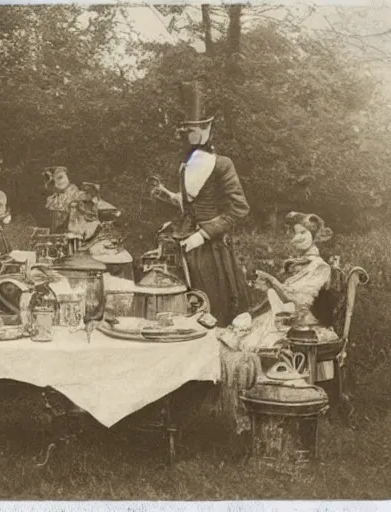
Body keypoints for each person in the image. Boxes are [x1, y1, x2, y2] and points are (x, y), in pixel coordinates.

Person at [216, 212, 336, 433]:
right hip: (285, 314)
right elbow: (278, 299)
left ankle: (275, 407)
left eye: (303, 233)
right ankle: (252, 408)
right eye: (294, 234)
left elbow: (300, 303)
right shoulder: (297, 264)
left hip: (305, 321)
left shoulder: (320, 267)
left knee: (258, 346)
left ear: (314, 236)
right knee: (234, 338)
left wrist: (272, 282)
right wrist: (252, 313)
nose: (297, 237)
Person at [150, 81, 250, 327]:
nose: (184, 136)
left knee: (214, 310)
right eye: (184, 131)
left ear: (205, 131)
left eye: (190, 130)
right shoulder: (186, 164)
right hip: (185, 244)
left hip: (212, 250)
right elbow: (191, 203)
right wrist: (166, 194)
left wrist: (204, 234)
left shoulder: (222, 164)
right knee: (182, 309)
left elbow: (239, 208)